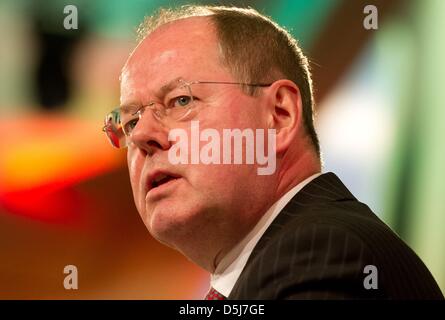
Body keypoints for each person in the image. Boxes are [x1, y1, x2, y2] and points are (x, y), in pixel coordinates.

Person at [102, 5, 444, 299]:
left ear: (279, 115)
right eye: (131, 122)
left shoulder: (322, 254)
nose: (143, 135)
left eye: (181, 101)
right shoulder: (280, 262)